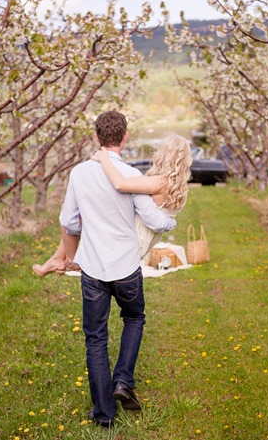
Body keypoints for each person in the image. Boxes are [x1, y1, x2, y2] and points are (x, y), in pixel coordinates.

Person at [57, 110, 177, 428]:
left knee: (95, 338)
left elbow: (68, 221)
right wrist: (172, 220)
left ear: (96, 138)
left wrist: (70, 254)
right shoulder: (130, 176)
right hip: (125, 267)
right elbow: (153, 220)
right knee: (134, 318)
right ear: (124, 138)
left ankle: (104, 415)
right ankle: (123, 381)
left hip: (93, 269)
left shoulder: (79, 174)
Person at [32, 132, 192, 276]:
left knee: (73, 211)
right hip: (145, 239)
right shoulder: (179, 187)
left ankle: (69, 259)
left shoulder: (159, 182)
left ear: (163, 155)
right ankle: (58, 258)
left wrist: (105, 159)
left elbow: (120, 183)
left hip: (128, 242)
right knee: (76, 212)